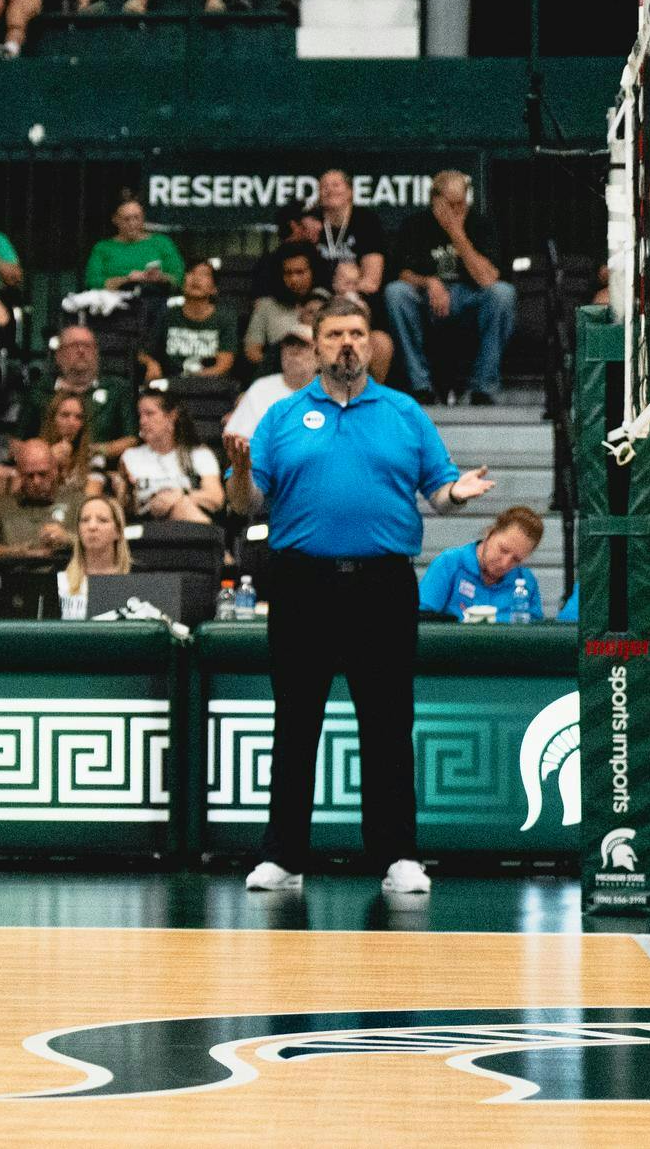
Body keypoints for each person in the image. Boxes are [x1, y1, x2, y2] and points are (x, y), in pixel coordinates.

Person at [227, 299, 494, 895]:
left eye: (356, 332)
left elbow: (439, 492)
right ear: (316, 345)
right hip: (302, 584)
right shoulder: (281, 415)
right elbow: (246, 504)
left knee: (388, 723)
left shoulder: (404, 413)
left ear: (371, 343)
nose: (346, 343)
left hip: (383, 585)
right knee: (296, 722)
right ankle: (283, 856)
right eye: (334, 334)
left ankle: (398, 855)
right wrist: (240, 472)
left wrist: (458, 493)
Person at [385, 169, 516, 403]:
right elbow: (402, 273)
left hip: (470, 297)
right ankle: (420, 385)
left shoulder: (480, 225)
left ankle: (483, 387)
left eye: (461, 204)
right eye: (450, 204)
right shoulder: (415, 225)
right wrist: (430, 282)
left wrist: (457, 235)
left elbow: (488, 279)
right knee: (396, 293)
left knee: (503, 294)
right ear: (435, 200)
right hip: (426, 298)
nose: (456, 210)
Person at [17, 323, 137, 460]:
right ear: (59, 355)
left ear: (96, 353)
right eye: (74, 345)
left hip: (101, 468)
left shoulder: (117, 390)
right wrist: (46, 455)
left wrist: (95, 451)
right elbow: (17, 441)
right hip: (46, 468)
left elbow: (132, 439)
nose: (81, 351)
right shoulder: (39, 391)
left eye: (88, 346)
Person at [416, 506, 545, 621]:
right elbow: (423, 620)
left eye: (516, 559)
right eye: (503, 550)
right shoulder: (448, 563)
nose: (505, 564)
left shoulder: (526, 581)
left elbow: (534, 630)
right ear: (490, 533)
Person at [0, 437, 77, 564]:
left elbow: (96, 542)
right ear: (19, 474)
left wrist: (68, 539)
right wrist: (14, 553)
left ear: (54, 471)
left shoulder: (76, 502)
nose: (36, 481)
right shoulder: (1, 506)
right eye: (29, 475)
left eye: (42, 474)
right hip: (15, 573)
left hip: (63, 573)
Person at [120, 391, 222, 524]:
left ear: (172, 416)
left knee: (182, 506)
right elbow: (122, 506)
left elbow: (216, 498)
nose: (142, 421)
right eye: (140, 415)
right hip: (145, 522)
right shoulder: (130, 456)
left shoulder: (199, 454)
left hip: (188, 519)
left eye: (149, 414)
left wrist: (180, 496)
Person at [144, 261, 238, 381]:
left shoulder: (225, 318)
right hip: (170, 383)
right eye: (191, 273)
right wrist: (151, 363)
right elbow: (144, 352)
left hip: (209, 384)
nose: (196, 278)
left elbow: (223, 365)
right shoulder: (167, 314)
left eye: (204, 274)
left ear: (214, 289)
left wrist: (191, 381)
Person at [223, 321, 316, 442]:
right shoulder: (261, 388)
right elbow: (235, 438)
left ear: (319, 357)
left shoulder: (331, 392)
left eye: (303, 346)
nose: (294, 352)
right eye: (289, 345)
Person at [84, 195, 184, 292]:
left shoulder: (162, 242)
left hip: (156, 298)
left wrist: (160, 278)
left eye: (136, 218)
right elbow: (92, 283)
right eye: (126, 219)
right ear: (115, 220)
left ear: (143, 218)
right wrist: (127, 280)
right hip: (114, 300)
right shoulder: (103, 247)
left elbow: (179, 278)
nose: (132, 223)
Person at [58, 493, 130, 619]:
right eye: (85, 520)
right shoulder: (59, 580)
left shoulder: (137, 578)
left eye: (102, 520)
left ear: (118, 531)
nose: (92, 527)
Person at [244, 242, 316, 368]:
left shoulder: (326, 303)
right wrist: (277, 367)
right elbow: (252, 351)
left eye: (300, 272)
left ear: (313, 272)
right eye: (288, 273)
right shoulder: (266, 306)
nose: (293, 279)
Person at [37, 389, 94, 492]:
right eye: (65, 415)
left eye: (78, 417)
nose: (72, 423)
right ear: (52, 419)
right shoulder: (35, 453)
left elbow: (92, 494)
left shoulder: (91, 456)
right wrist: (49, 462)